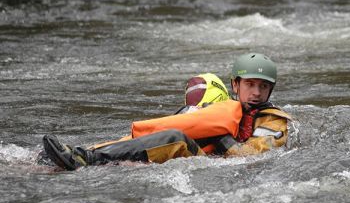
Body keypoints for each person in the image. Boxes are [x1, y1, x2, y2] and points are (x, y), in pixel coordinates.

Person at [42, 53, 291, 170]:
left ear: (270, 90)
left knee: (175, 138)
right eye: (250, 84)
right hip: (206, 159)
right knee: (169, 131)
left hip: (220, 168)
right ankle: (82, 153)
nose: (256, 92)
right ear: (235, 85)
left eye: (263, 86)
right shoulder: (221, 108)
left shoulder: (273, 120)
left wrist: (219, 133)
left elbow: (254, 157)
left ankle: (86, 160)